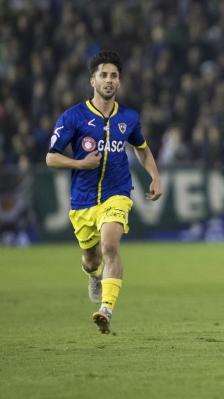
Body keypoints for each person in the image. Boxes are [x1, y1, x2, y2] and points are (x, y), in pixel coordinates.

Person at [46, 51, 162, 334]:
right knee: (91, 258)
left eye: (114, 76)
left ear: (119, 82)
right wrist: (79, 163)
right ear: (92, 81)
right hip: (82, 200)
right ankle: (93, 275)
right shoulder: (73, 117)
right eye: (104, 75)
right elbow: (51, 157)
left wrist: (155, 176)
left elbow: (141, 149)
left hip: (117, 192)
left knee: (110, 246)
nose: (109, 81)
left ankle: (106, 310)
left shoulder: (129, 117)